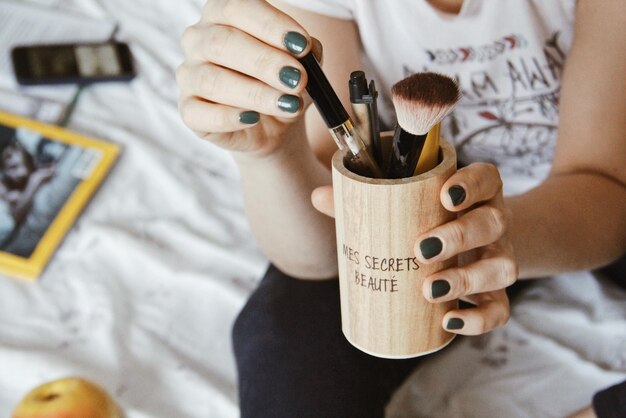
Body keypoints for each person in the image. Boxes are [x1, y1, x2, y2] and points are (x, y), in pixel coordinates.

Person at [176, 0, 626, 416]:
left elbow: (604, 189)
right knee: (281, 347)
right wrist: (271, 155)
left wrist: (492, 238)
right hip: (408, 191)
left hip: (580, 195)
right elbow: (317, 255)